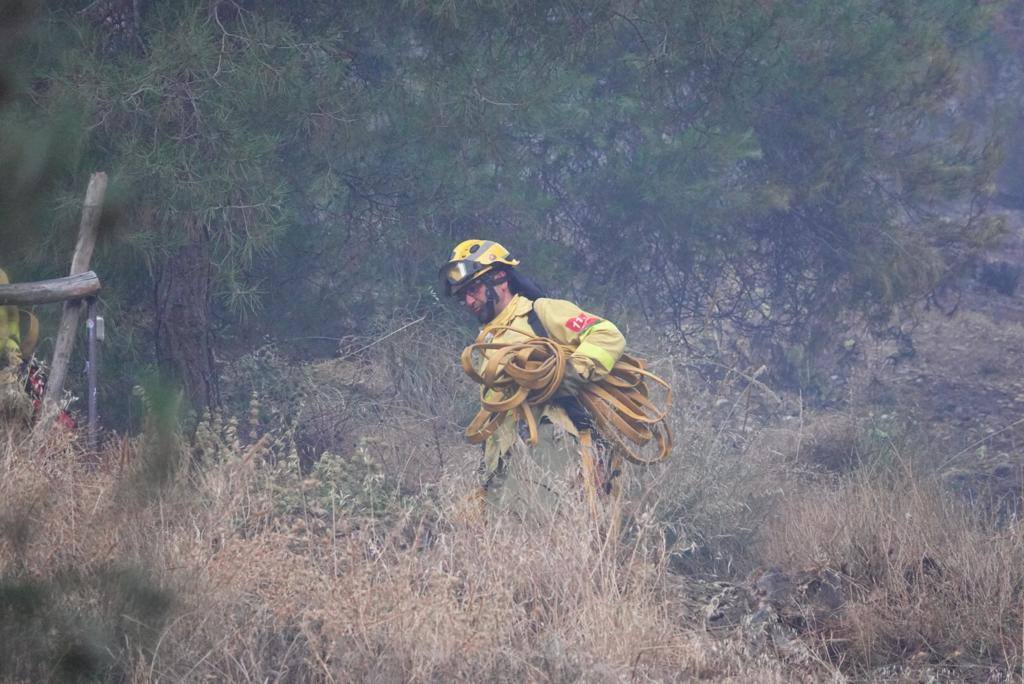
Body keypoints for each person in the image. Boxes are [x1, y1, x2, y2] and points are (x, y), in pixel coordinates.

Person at [440, 239, 626, 523]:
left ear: (500, 278)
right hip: (506, 459)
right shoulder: (488, 337)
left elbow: (607, 334)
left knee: (537, 533)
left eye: (474, 289)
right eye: (463, 295)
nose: (468, 301)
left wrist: (570, 374)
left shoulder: (540, 312)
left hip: (548, 446)